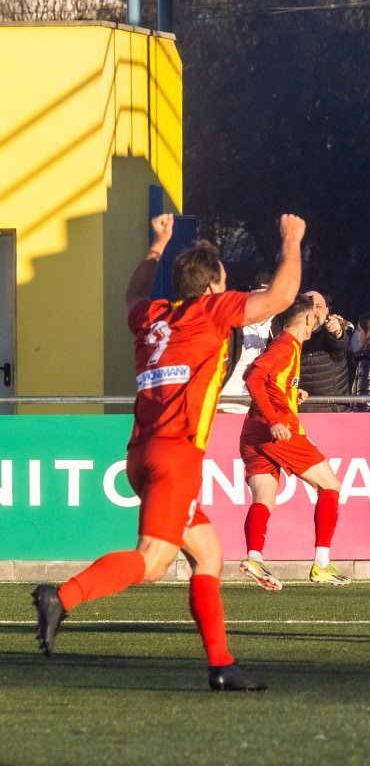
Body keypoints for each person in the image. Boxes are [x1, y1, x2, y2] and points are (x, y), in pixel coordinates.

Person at [31, 213, 305, 691]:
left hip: (142, 453)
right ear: (215, 284)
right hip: (175, 457)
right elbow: (281, 298)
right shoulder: (212, 311)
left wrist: (156, 245)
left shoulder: (153, 317)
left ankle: (221, 665)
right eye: (225, 279)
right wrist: (291, 239)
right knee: (153, 561)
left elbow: (130, 297)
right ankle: (62, 595)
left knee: (209, 555)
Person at [238, 293, 350, 590]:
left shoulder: (289, 346)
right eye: (316, 315)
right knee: (330, 486)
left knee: (264, 498)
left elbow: (270, 382)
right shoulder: (287, 345)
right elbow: (253, 377)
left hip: (253, 431)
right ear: (310, 318)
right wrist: (276, 420)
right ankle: (322, 565)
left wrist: (291, 395)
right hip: (277, 431)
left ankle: (253, 558)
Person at [218, 272, 275, 413]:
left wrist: (337, 332)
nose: (261, 301)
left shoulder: (280, 323)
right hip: (225, 405)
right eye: (257, 296)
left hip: (260, 409)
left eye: (266, 296)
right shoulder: (232, 321)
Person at [299, 290, 353, 412]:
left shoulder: (329, 331)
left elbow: (341, 341)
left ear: (327, 311)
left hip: (331, 411)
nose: (313, 310)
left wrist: (338, 331)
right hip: (299, 410)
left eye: (318, 306)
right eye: (308, 305)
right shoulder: (289, 333)